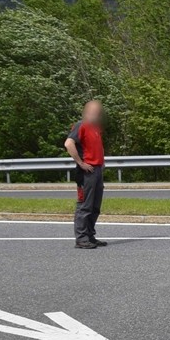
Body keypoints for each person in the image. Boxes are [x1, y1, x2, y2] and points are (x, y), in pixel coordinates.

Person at [65, 100, 107, 249]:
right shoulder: (80, 125)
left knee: (95, 206)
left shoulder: (95, 128)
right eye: (94, 111)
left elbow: (96, 147)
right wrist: (81, 163)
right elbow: (69, 143)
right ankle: (81, 238)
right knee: (85, 206)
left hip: (96, 170)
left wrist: (102, 163)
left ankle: (89, 235)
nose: (97, 114)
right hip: (86, 172)